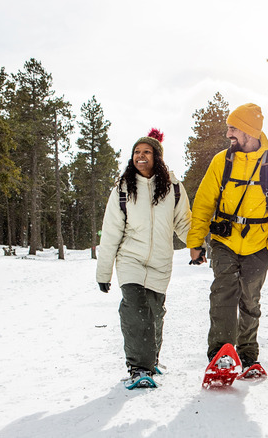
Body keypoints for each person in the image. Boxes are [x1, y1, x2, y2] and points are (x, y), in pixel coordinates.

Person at [187, 103, 268, 374]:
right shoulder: (222, 161)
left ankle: (247, 356)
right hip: (224, 241)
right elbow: (203, 203)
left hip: (259, 246)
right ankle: (221, 355)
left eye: (233, 128)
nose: (228, 134)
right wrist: (195, 242)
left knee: (250, 300)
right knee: (223, 293)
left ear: (248, 130)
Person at [96, 128, 191, 388]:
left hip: (161, 261)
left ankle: (151, 359)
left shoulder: (173, 188)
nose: (140, 156)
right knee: (135, 310)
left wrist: (197, 245)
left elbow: (183, 224)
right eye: (136, 152)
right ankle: (139, 368)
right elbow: (111, 232)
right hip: (130, 259)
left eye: (146, 152)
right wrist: (103, 273)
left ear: (157, 157)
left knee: (154, 313)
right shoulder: (123, 188)